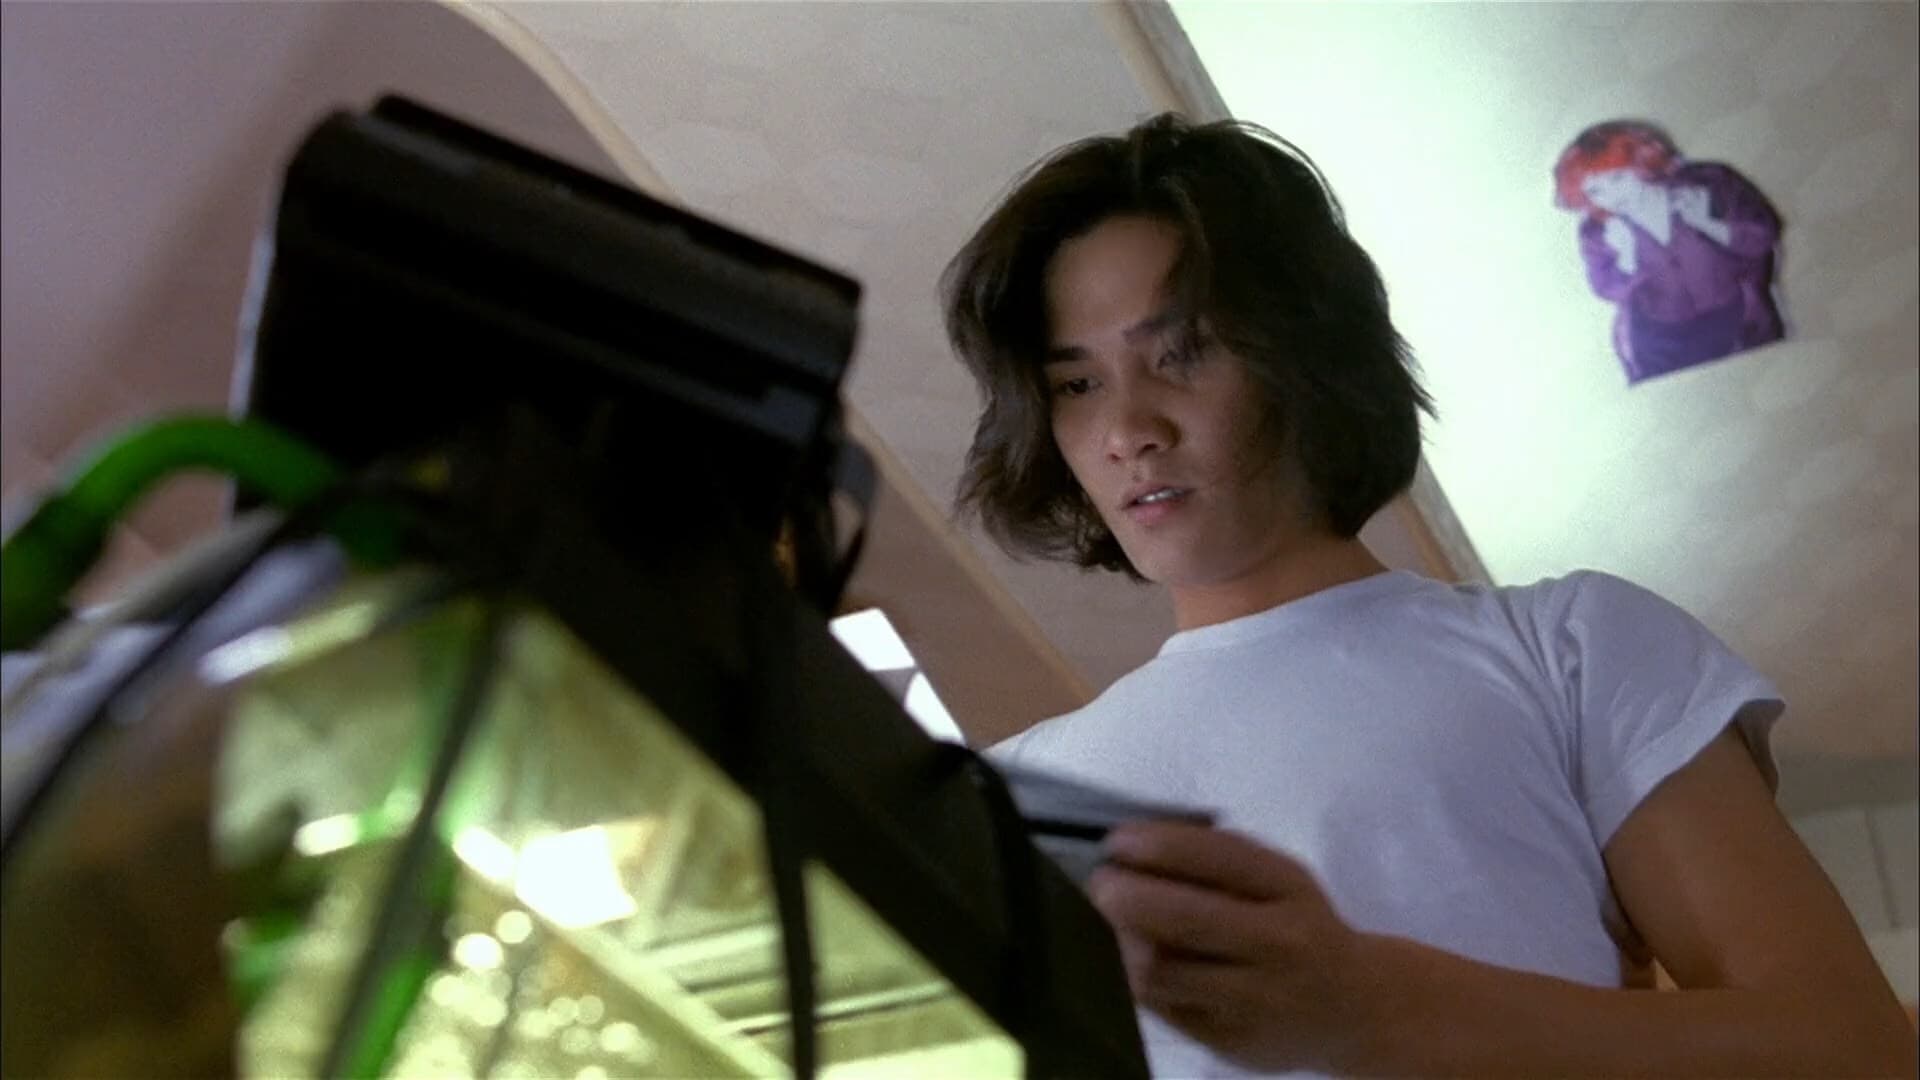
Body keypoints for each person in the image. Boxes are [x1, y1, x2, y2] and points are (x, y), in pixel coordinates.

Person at [941, 113, 1912, 1078]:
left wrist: (1377, 1011)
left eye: (1181, 352)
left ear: (1303, 353)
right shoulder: (1006, 798)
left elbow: (1850, 1051)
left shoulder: (1572, 646)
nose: (1127, 430)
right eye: (1076, 385)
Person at [1553, 120, 1785, 384]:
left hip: (1739, 325)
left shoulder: (1711, 183)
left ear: (1641, 163)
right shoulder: (1597, 232)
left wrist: (1709, 225)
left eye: (1617, 178)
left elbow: (1763, 235)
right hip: (1660, 347)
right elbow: (1605, 289)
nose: (1612, 196)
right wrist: (1627, 258)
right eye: (1595, 190)